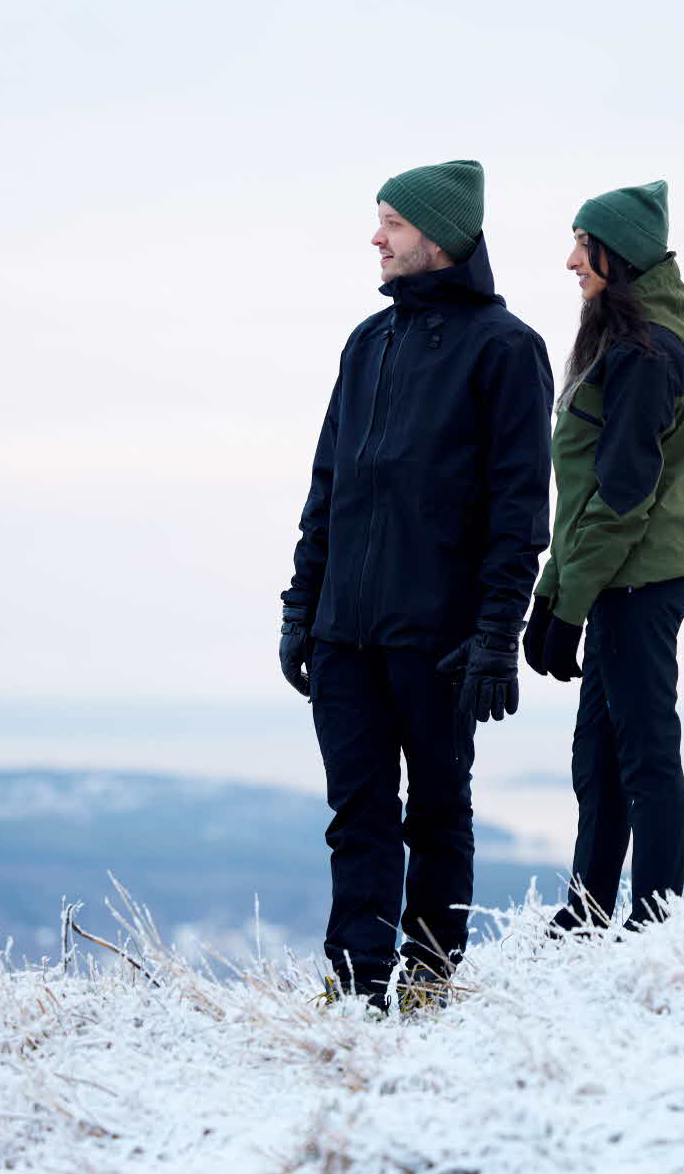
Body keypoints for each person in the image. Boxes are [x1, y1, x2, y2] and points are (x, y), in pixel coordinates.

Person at [280, 159, 553, 1008]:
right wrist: (302, 610)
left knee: (436, 813)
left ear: (439, 236)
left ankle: (430, 978)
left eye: (392, 223)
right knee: (355, 817)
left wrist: (495, 635)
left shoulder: (507, 351)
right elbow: (328, 487)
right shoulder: (368, 342)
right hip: (345, 635)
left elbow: (519, 511)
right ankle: (358, 987)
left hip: (438, 637)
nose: (376, 237)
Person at [524, 179, 684, 931]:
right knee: (597, 758)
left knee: (644, 749)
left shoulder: (644, 355)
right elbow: (583, 499)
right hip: (616, 579)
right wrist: (552, 593)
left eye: (583, 243)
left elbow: (624, 498)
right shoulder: (619, 346)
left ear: (619, 254)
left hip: (641, 577)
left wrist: (566, 605)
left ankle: (654, 923)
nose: (571, 258)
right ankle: (588, 912)